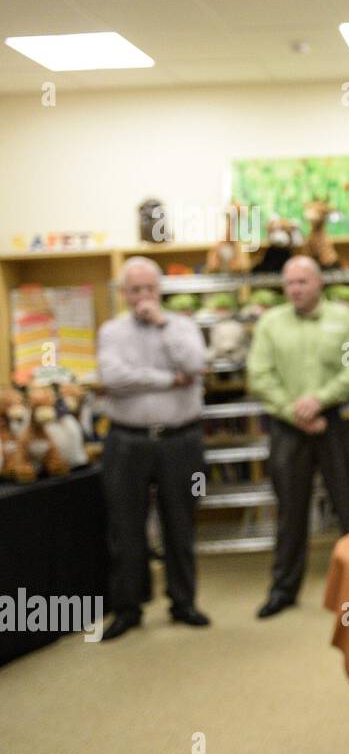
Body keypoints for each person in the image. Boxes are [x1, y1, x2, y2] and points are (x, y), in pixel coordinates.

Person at [247, 255, 349, 618]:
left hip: (336, 421)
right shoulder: (270, 323)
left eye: (303, 282)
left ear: (319, 283)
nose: (296, 289)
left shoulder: (344, 320)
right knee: (290, 512)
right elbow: (260, 374)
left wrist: (320, 400)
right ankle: (283, 590)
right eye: (290, 284)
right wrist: (294, 411)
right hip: (289, 427)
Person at [96, 256, 209, 641]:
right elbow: (113, 377)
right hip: (127, 441)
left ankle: (184, 602)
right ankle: (128, 608)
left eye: (149, 289)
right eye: (135, 290)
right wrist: (167, 379)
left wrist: (163, 327)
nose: (143, 297)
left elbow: (195, 364)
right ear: (124, 293)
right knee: (125, 527)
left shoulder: (183, 326)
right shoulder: (111, 331)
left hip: (181, 441)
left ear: (159, 291)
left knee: (181, 522)